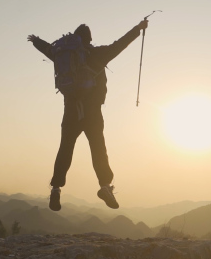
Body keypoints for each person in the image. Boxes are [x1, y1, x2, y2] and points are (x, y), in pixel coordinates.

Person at [27, 19, 149, 211]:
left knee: (65, 149)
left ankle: (56, 189)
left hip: (70, 111)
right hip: (92, 112)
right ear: (89, 39)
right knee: (98, 148)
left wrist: (35, 40)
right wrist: (138, 29)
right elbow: (120, 44)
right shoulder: (98, 54)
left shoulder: (63, 54)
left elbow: (48, 49)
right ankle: (105, 187)